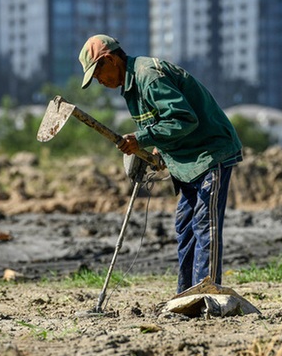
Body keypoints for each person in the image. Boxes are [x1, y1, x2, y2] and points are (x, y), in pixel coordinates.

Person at [78, 34, 242, 294]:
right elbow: (161, 123)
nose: (99, 81)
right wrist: (157, 150)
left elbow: (184, 120)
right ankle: (185, 294)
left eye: (98, 74)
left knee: (204, 225)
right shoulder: (130, 87)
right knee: (185, 227)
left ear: (110, 60)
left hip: (210, 153)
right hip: (185, 160)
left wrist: (141, 138)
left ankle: (207, 295)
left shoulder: (148, 76)